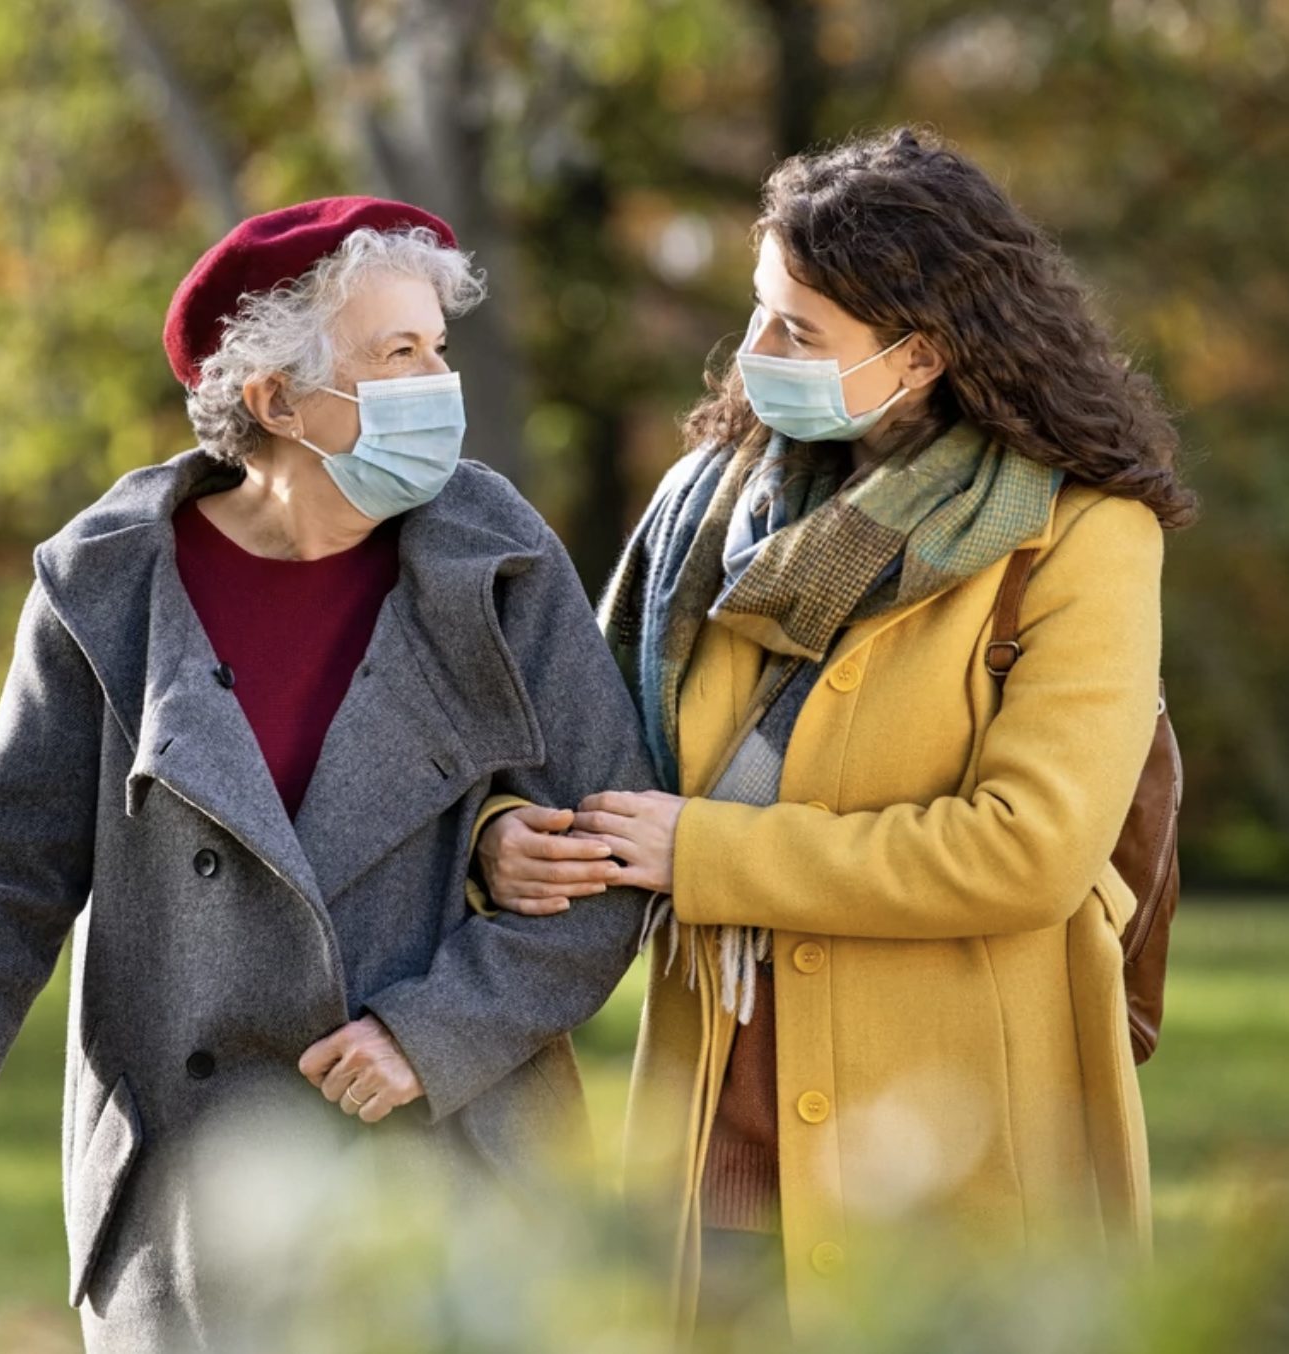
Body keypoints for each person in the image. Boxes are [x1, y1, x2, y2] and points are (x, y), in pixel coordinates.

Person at [0, 196, 657, 1352]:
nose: (435, 384)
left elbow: (611, 851)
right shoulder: (105, 587)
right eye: (396, 353)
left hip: (462, 1184)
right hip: (193, 1207)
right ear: (275, 398)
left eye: (436, 349)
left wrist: (434, 1030)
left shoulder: (499, 556)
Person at [477, 129, 1195, 1336]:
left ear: (917, 356)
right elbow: (574, 749)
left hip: (958, 1144)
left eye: (798, 332)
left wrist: (703, 855)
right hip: (715, 1133)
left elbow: (1028, 849)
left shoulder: (1083, 536)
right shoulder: (710, 515)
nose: (754, 357)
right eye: (759, 315)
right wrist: (507, 836)